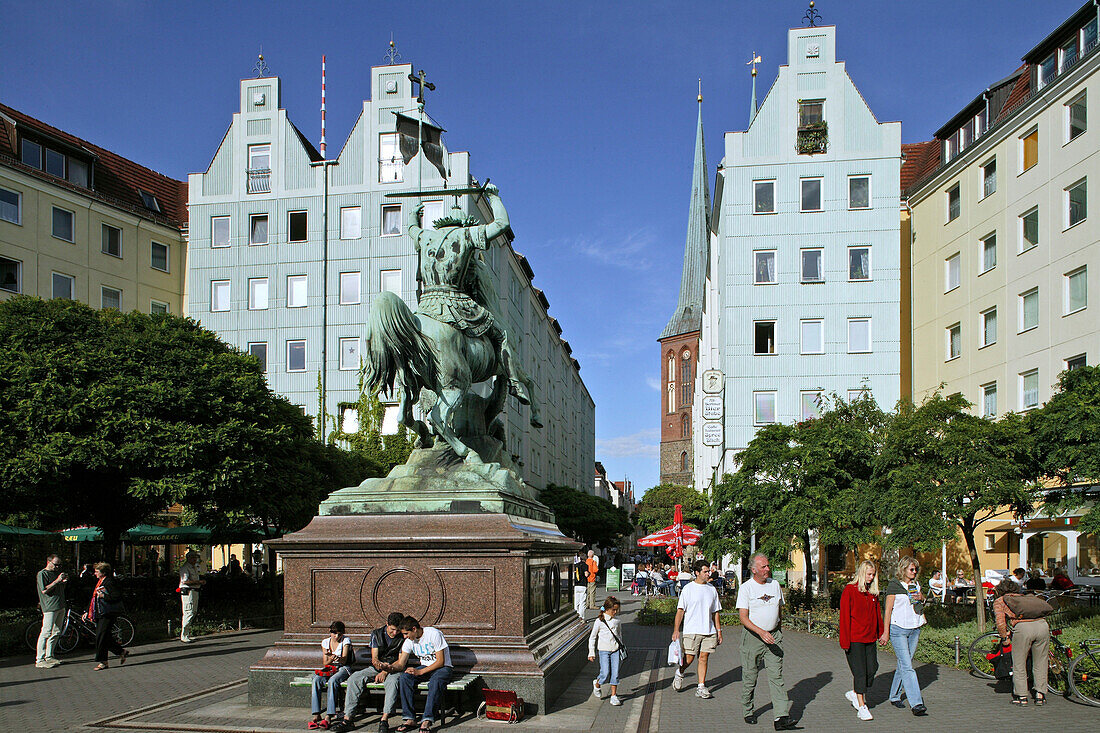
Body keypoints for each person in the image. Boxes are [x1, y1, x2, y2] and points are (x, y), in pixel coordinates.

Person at [737, 553, 795, 730]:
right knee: (750, 676)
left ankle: (781, 717)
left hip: (773, 637)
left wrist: (777, 629)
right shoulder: (746, 588)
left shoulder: (775, 585)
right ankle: (748, 710)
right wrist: (761, 632)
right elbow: (743, 618)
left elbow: (779, 609)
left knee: (776, 677)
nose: (767, 569)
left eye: (768, 566)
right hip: (753, 638)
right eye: (763, 567)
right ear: (754, 570)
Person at [331, 612, 406, 733]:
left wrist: (385, 671)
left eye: (397, 630)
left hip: (394, 669)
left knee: (392, 683)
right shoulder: (376, 634)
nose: (395, 633)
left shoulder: (403, 636)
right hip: (377, 667)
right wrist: (380, 667)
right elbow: (374, 658)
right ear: (387, 624)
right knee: (354, 678)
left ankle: (384, 720)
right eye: (392, 630)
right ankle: (348, 719)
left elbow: (400, 661)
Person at [880, 556, 928, 716]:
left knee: (903, 664)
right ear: (904, 569)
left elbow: (920, 604)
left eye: (916, 569)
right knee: (908, 667)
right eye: (911, 569)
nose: (914, 572)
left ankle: (894, 696)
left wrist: (922, 598)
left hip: (915, 628)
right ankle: (917, 703)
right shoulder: (894, 585)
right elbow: (887, 610)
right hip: (898, 629)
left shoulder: (915, 585)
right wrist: (885, 632)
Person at [993, 577, 1050, 706]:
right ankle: (1040, 695)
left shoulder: (1000, 601)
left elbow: (1000, 623)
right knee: (1041, 662)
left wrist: (1005, 638)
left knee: (1019, 663)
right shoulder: (1023, 597)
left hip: (1023, 628)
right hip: (1042, 625)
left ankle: (1022, 696)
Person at [672, 558, 723, 700]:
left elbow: (716, 612)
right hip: (691, 629)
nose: (708, 574)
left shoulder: (711, 589)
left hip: (709, 630)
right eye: (705, 571)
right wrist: (676, 630)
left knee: (704, 657)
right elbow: (680, 611)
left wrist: (719, 631)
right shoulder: (688, 589)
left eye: (709, 571)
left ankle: (701, 686)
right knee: (689, 658)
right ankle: (680, 673)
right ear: (697, 572)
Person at [839, 560, 883, 721]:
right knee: (860, 673)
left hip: (870, 638)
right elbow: (844, 617)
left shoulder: (872, 594)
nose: (871, 578)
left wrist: (881, 632)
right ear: (862, 573)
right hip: (855, 639)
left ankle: (855, 692)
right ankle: (862, 706)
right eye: (868, 574)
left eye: (873, 575)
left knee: (872, 669)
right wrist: (845, 642)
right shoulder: (850, 590)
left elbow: (878, 615)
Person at [393, 616, 453, 732]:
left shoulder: (433, 634)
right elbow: (401, 664)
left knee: (435, 682)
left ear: (414, 629)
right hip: (425, 668)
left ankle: (427, 720)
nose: (405, 637)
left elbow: (440, 661)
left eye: (406, 633)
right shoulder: (409, 641)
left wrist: (419, 671)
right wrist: (388, 667)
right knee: (405, 678)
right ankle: (410, 719)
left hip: (443, 668)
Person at [309, 621, 355, 729]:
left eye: (339, 634)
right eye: (334, 633)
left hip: (343, 668)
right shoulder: (325, 642)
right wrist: (331, 658)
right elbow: (325, 662)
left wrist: (337, 658)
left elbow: (344, 660)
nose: (337, 636)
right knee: (316, 680)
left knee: (333, 681)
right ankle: (316, 714)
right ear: (330, 632)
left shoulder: (346, 641)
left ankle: (329, 715)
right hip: (330, 667)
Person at [87, 562, 128, 671]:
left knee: (101, 636)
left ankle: (103, 661)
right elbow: (94, 598)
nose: (95, 573)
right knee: (104, 636)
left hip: (108, 613)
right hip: (101, 612)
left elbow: (116, 596)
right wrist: (87, 611)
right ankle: (120, 651)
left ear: (103, 572)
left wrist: (104, 596)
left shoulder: (110, 582)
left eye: (97, 571)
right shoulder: (100, 582)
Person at [589, 596, 625, 706]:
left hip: (615, 650)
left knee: (615, 674)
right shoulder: (599, 621)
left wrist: (621, 647)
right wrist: (591, 652)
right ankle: (597, 684)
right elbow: (593, 637)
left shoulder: (617, 621)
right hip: (603, 650)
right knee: (605, 673)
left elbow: (619, 635)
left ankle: (614, 696)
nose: (615, 612)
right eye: (613, 610)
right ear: (607, 609)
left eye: (616, 610)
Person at [35, 553, 68, 668]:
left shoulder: (56, 573)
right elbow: (44, 590)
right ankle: (40, 659)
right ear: (48, 562)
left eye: (59, 565)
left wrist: (63, 583)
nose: (58, 567)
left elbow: (58, 588)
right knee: (46, 631)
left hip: (60, 605)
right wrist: (57, 581)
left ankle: (49, 656)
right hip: (49, 607)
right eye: (56, 565)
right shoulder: (42, 574)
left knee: (57, 631)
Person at [178, 550, 205, 643]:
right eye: (193, 557)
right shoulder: (185, 568)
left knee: (193, 612)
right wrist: (199, 582)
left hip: (194, 591)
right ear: (188, 558)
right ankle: (184, 635)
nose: (195, 559)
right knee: (188, 612)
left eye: (195, 557)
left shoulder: (194, 567)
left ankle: (187, 633)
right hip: (188, 592)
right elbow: (185, 581)